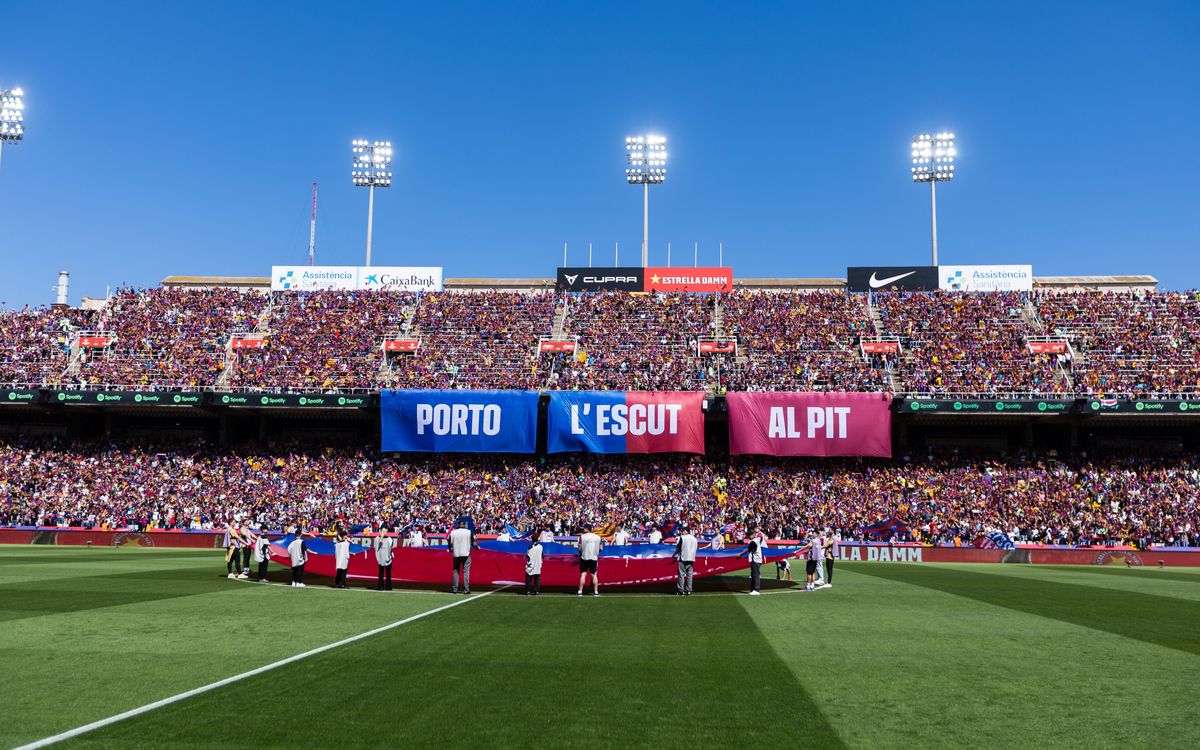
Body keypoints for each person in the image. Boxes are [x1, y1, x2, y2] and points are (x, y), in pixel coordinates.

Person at [449, 518, 476, 594]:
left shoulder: (453, 532)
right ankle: (466, 589)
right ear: (464, 525)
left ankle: (455, 589)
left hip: (456, 554)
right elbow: (473, 543)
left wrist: (451, 550)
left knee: (456, 571)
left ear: (458, 525)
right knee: (466, 572)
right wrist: (477, 548)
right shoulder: (468, 532)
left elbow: (449, 543)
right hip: (466, 554)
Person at [577, 528, 602, 597]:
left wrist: (580, 553)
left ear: (586, 529)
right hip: (593, 558)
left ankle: (580, 591)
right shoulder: (598, 537)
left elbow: (579, 547)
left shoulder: (582, 537)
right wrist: (596, 552)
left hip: (584, 557)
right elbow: (601, 548)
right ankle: (596, 592)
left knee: (583, 574)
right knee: (594, 574)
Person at [674, 525, 698, 596]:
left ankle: (681, 590)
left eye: (683, 531)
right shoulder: (694, 538)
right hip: (691, 558)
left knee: (681, 574)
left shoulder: (683, 537)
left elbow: (679, 547)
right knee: (690, 574)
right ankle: (689, 590)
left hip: (683, 557)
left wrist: (675, 553)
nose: (682, 532)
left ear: (686, 531)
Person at [744, 526, 766, 595]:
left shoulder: (754, 541)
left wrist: (740, 554)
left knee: (755, 575)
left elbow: (748, 549)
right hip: (756, 559)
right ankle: (753, 589)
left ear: (752, 535)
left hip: (756, 559)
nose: (748, 537)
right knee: (753, 574)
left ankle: (756, 590)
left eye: (748, 536)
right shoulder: (754, 540)